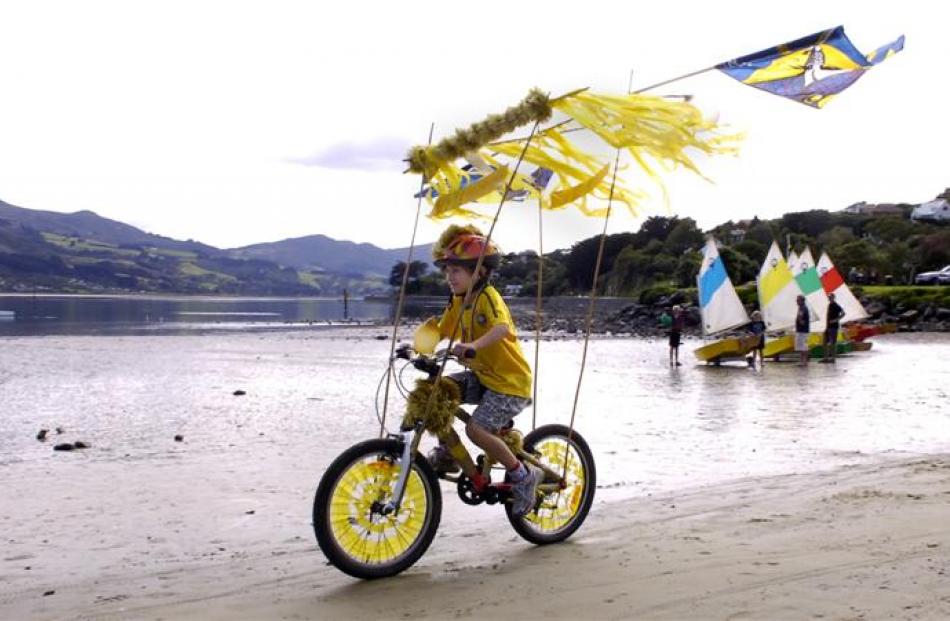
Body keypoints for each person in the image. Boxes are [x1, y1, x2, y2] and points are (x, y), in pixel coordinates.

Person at [425, 224, 540, 517]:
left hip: (510, 383)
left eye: (456, 271)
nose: (449, 277)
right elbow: (442, 332)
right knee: (437, 393)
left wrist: (473, 345)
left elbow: (502, 328)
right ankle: (449, 454)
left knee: (476, 429)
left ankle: (522, 475)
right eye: (447, 271)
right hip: (483, 377)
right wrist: (413, 346)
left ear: (480, 272)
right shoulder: (458, 302)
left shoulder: (488, 297)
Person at [821, 292, 845, 363]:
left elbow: (843, 313)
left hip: (834, 327)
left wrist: (836, 320)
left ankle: (833, 358)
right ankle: (826, 358)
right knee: (824, 342)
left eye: (831, 297)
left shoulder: (836, 305)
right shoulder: (829, 305)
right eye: (829, 297)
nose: (829, 298)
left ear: (833, 297)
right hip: (828, 327)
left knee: (833, 343)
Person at [795, 294, 811, 367]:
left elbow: (800, 317)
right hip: (801, 330)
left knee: (804, 346)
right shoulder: (801, 307)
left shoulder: (803, 308)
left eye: (798, 300)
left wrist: (800, 320)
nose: (796, 301)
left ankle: (804, 362)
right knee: (802, 346)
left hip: (803, 330)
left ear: (802, 300)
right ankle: (802, 361)